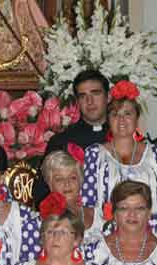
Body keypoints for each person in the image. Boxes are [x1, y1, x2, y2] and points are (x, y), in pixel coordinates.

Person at [81, 81, 157, 217]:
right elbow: (88, 203)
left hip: (152, 230)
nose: (121, 120)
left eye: (127, 114)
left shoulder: (155, 154)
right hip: (106, 232)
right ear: (108, 120)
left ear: (137, 118)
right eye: (115, 115)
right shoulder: (95, 155)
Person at [33, 69, 109, 205]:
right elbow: (42, 194)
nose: (89, 101)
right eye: (82, 96)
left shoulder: (123, 138)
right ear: (77, 102)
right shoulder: (61, 142)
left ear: (107, 97)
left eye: (95, 93)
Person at [40, 148, 103, 248]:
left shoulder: (98, 210)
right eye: (59, 179)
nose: (67, 183)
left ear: (81, 180)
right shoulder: (46, 216)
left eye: (72, 177)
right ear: (50, 184)